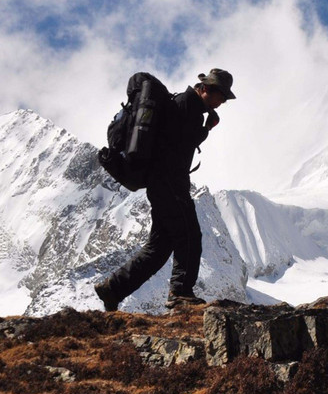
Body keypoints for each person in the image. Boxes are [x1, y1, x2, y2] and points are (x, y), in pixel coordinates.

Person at [94, 69, 236, 311]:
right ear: (205, 89)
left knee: (159, 248)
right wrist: (205, 129)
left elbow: (175, 140)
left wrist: (204, 127)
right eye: (221, 95)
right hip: (170, 182)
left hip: (161, 183)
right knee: (189, 235)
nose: (222, 101)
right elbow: (179, 144)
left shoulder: (185, 105)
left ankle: (113, 288)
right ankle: (180, 293)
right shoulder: (187, 105)